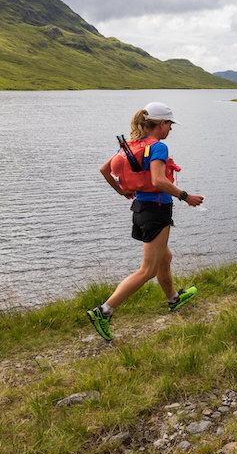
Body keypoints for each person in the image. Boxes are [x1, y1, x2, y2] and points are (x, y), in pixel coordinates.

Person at [87, 101, 204, 341]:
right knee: (147, 270)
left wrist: (122, 191)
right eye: (169, 125)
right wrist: (185, 196)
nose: (170, 130)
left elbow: (104, 170)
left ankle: (173, 299)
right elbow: (159, 181)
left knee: (165, 257)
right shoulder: (158, 147)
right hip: (157, 210)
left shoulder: (130, 146)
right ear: (161, 124)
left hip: (140, 208)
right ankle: (104, 311)